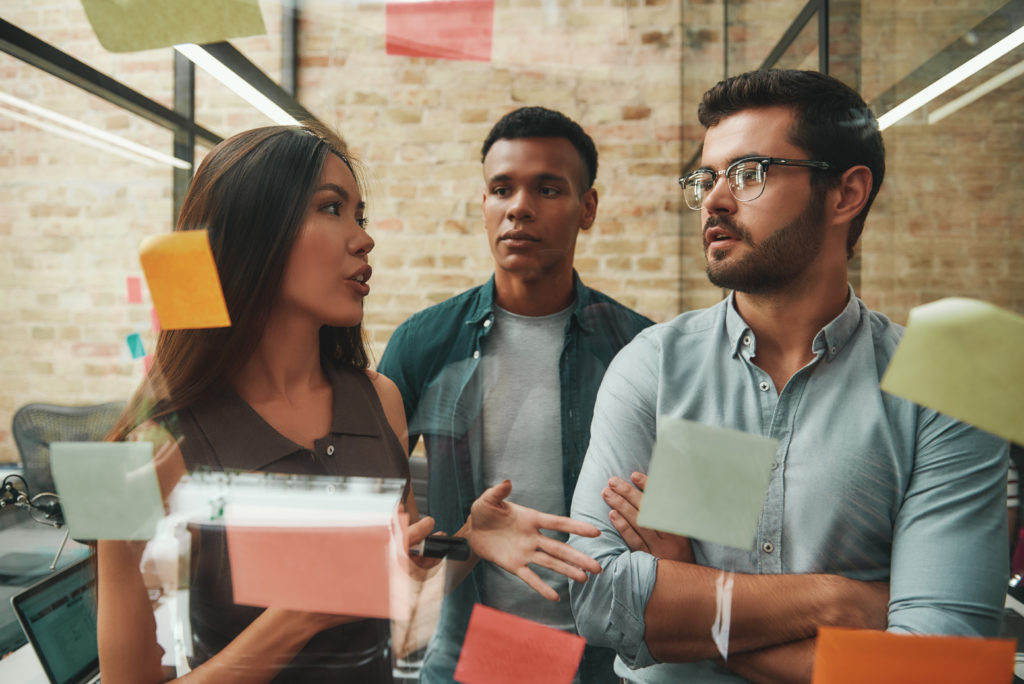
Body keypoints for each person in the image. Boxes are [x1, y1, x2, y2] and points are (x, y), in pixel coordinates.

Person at [568, 69, 1009, 683]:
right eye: (707, 179)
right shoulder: (656, 366)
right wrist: (840, 602)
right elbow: (597, 598)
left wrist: (690, 611)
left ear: (846, 194)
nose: (716, 201)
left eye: (749, 173)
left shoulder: (941, 391)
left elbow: (938, 665)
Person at [97, 122, 436, 683]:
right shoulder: (146, 451)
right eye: (332, 209)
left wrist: (467, 544)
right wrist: (294, 618)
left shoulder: (381, 400)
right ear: (254, 232)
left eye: (360, 216)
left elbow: (397, 589)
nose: (363, 238)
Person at [377, 106, 653, 683]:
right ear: (483, 204)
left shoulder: (639, 348)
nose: (518, 207)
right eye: (500, 189)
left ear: (588, 209)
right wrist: (464, 543)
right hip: (469, 652)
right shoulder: (426, 344)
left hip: (606, 656)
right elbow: (383, 540)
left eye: (547, 188)